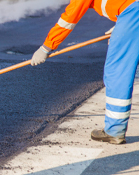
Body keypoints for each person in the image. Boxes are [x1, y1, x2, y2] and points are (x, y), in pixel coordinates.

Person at [31, 0, 139, 144]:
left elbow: (69, 19)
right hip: (131, 15)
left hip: (133, 14)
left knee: (117, 72)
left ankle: (114, 130)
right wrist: (123, 24)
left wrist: (46, 47)